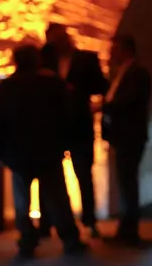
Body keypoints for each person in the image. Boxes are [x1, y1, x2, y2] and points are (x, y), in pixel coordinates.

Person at [0, 44, 87, 257]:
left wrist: (1, 151)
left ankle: (27, 240)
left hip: (18, 153)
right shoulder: (52, 84)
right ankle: (70, 238)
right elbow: (65, 117)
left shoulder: (8, 87)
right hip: (48, 151)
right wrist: (65, 145)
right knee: (58, 198)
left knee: (22, 201)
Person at [40, 23, 109, 238]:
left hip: (79, 124)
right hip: (54, 127)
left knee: (84, 174)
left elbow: (101, 86)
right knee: (49, 175)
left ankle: (89, 220)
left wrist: (78, 91)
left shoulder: (86, 59)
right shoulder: (45, 61)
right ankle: (48, 222)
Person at [101, 34, 151, 245]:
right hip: (122, 135)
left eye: (115, 49)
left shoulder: (138, 73)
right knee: (125, 182)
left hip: (131, 135)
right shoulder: (121, 72)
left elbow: (130, 101)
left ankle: (130, 231)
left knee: (128, 183)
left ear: (126, 50)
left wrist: (104, 106)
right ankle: (125, 229)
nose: (111, 53)